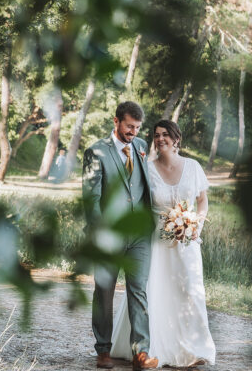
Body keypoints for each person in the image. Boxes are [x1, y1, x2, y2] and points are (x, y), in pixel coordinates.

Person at [110, 119, 216, 368]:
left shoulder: (193, 167)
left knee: (190, 289)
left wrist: (195, 225)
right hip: (156, 241)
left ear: (176, 138)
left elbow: (202, 201)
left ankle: (193, 348)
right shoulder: (147, 169)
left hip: (188, 241)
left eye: (165, 134)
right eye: (156, 135)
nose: (160, 139)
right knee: (154, 290)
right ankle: (150, 349)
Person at [82, 101, 158, 370]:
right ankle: (103, 350)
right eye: (129, 126)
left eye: (137, 127)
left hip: (139, 235)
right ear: (116, 121)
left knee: (138, 291)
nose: (133, 132)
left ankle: (141, 352)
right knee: (104, 291)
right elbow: (90, 199)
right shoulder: (96, 152)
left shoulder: (141, 147)